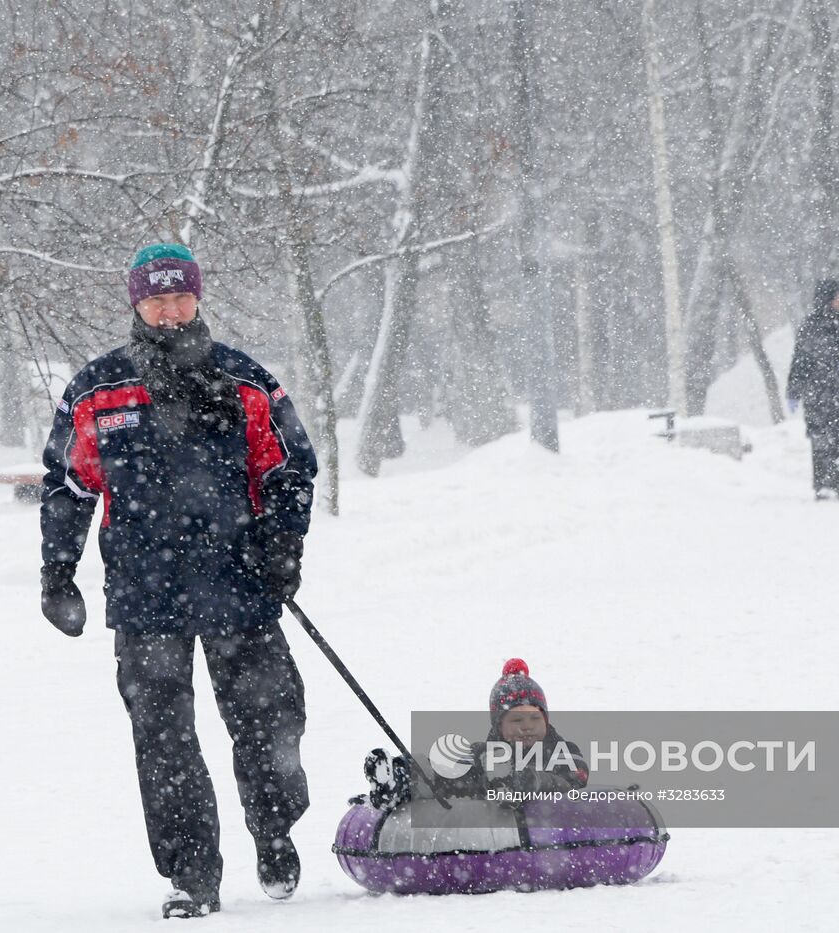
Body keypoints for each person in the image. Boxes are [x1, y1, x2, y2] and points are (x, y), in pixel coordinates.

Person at [38, 243, 318, 920]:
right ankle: (192, 873)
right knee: (164, 739)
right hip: (145, 594)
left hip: (238, 581)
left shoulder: (243, 381)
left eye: (179, 297)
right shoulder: (98, 391)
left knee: (270, 715)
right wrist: (57, 571)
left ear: (198, 298)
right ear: (136, 303)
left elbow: (291, 467)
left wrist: (281, 546)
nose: (168, 311)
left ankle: (274, 827)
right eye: (155, 299)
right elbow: (68, 485)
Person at [364, 659, 588, 809]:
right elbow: (452, 776)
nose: (527, 727)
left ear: (546, 720)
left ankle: (509, 785)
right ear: (499, 725)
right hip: (493, 837)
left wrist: (532, 781)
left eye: (535, 718)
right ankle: (402, 780)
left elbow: (575, 780)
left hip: (549, 828)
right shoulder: (484, 754)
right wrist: (426, 774)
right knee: (448, 772)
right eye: (516, 720)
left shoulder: (562, 751)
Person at [787, 279, 839, 499]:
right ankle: (824, 483)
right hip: (817, 392)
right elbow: (800, 360)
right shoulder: (810, 326)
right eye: (837, 297)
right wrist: (794, 391)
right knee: (820, 440)